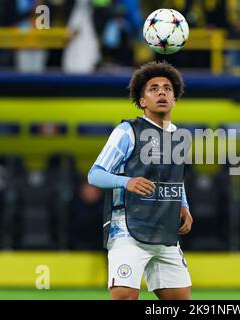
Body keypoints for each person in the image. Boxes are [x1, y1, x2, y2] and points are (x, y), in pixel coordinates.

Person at [87, 61, 193, 300]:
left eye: (167, 88)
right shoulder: (127, 131)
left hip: (164, 231)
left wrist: (184, 205)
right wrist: (127, 182)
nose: (162, 92)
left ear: (175, 99)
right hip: (128, 229)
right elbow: (95, 174)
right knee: (124, 296)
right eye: (153, 88)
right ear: (142, 101)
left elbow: (175, 178)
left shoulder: (179, 137)